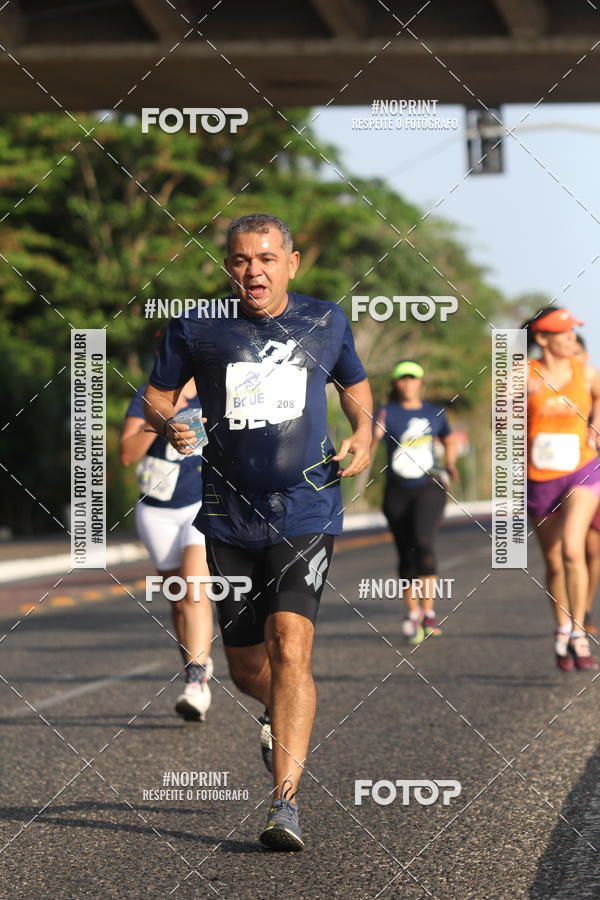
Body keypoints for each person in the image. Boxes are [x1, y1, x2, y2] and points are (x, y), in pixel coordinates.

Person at [143, 213, 372, 852]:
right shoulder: (198, 327)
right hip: (227, 514)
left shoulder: (325, 321)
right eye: (242, 260)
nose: (255, 271)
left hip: (307, 508)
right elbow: (157, 396)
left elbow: (355, 384)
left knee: (291, 645)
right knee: (247, 667)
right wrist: (168, 424)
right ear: (229, 267)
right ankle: (278, 710)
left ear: (291, 263)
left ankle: (284, 804)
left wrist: (362, 432)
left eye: (267, 259)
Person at [120, 378, 214, 720]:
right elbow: (126, 455)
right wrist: (160, 422)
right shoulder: (146, 397)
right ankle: (196, 659)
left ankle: (196, 681)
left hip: (200, 504)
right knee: (178, 598)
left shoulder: (214, 386)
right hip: (156, 508)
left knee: (194, 590)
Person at [525, 307, 600, 670]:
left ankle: (579, 632)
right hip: (540, 476)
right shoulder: (522, 374)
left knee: (574, 548)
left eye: (574, 332)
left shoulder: (585, 371)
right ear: (542, 339)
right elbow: (499, 427)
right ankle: (561, 628)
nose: (572, 338)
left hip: (582, 469)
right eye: (564, 333)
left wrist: (595, 424)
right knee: (554, 562)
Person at [371, 361, 457, 643]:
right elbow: (373, 441)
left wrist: (452, 463)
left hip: (429, 486)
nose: (408, 383)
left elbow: (449, 438)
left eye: (413, 378)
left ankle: (429, 611)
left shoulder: (434, 412)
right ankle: (412, 613)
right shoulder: (387, 412)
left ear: (420, 381)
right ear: (396, 383)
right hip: (397, 489)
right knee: (406, 553)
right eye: (403, 379)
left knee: (423, 542)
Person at [573, 334, 600, 636]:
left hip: (594, 474)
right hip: (566, 475)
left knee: (592, 549)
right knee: (570, 549)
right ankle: (574, 613)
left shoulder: (594, 385)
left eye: (578, 353)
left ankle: (585, 606)